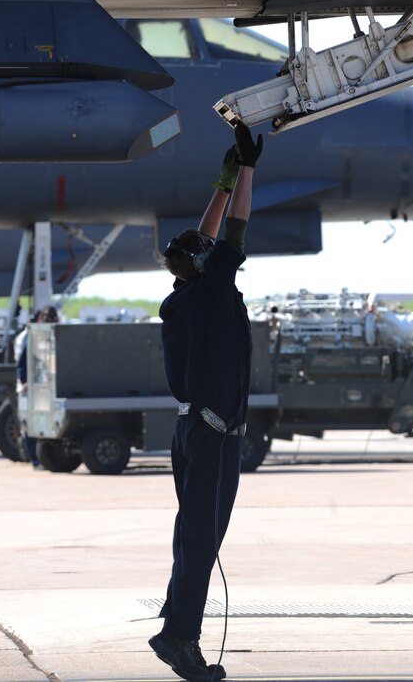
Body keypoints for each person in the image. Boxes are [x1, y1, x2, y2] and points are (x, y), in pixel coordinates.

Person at [149, 120, 262, 682]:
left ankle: (178, 615)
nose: (218, 250)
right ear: (206, 264)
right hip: (215, 434)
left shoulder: (185, 294)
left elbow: (204, 239)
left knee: (194, 533)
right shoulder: (214, 289)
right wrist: (246, 170)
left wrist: (221, 182)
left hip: (193, 430)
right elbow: (233, 232)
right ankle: (180, 639)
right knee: (202, 538)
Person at [15, 305, 59, 468]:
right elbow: (23, 363)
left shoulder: (52, 334)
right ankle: (35, 460)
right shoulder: (32, 336)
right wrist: (26, 382)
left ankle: (44, 459)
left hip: (45, 386)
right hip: (31, 387)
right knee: (31, 423)